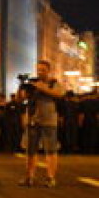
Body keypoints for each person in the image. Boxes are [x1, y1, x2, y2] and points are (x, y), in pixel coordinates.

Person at [19, 59, 65, 187]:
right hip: (32, 120)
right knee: (30, 151)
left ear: (48, 71)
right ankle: (29, 177)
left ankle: (50, 178)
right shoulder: (32, 83)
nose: (40, 72)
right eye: (38, 70)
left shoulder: (53, 83)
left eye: (43, 70)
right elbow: (21, 99)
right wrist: (22, 87)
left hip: (49, 121)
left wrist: (42, 88)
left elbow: (59, 94)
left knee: (51, 150)